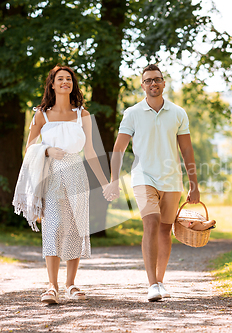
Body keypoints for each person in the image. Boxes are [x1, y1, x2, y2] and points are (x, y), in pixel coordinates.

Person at [104, 64, 200, 301]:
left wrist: (194, 184)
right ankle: (151, 285)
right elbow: (119, 148)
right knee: (151, 222)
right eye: (148, 80)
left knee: (165, 230)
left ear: (164, 83)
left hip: (171, 179)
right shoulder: (132, 113)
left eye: (157, 80)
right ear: (142, 85)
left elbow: (186, 149)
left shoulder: (178, 113)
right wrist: (114, 180)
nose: (153, 84)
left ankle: (160, 281)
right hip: (143, 176)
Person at [21, 65, 111, 304]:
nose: (65, 82)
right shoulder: (41, 115)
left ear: (73, 84)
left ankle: (71, 284)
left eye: (68, 79)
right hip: (50, 175)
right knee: (53, 226)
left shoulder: (82, 115)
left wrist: (105, 183)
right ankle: (52, 286)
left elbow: (91, 152)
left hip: (77, 173)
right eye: (60, 79)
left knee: (75, 227)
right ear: (52, 84)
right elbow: (29, 149)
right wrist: (47, 150)